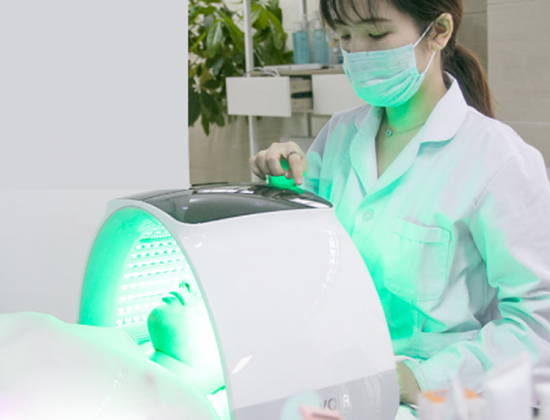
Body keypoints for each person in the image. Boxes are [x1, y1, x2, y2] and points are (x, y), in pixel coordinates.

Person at [249, 0, 550, 409]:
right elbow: (306, 263)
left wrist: (423, 378)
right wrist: (283, 186)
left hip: (441, 401)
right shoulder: (339, 135)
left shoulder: (498, 160)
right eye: (345, 36)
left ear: (438, 31)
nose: (357, 52)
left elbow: (537, 326)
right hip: (339, 382)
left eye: (376, 34)